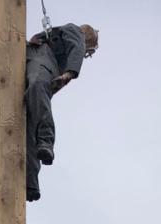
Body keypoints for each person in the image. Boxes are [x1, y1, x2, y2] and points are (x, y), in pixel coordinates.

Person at [25, 23, 99, 202]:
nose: (84, 53)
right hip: (39, 58)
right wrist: (69, 74)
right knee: (38, 83)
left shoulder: (57, 39)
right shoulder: (75, 31)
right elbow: (76, 46)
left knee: (29, 121)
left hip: (33, 59)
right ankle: (46, 140)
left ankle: (30, 182)